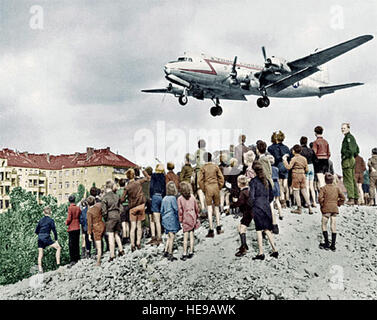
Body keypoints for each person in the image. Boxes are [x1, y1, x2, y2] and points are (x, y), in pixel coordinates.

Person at [248, 161, 278, 260]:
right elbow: (271, 196)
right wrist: (266, 202)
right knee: (267, 229)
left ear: (253, 170)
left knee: (258, 230)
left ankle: (261, 253)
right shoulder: (267, 181)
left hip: (257, 207)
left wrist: (251, 206)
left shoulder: (253, 182)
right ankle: (275, 250)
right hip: (266, 206)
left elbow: (251, 197)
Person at [121, 168, 151, 251]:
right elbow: (148, 178)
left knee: (133, 227)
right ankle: (138, 243)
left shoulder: (127, 187)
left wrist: (127, 196)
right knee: (139, 227)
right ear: (134, 175)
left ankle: (132, 245)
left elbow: (122, 199)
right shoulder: (138, 182)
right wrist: (143, 170)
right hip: (141, 206)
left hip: (132, 208)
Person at [198, 152, 225, 237]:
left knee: (209, 209)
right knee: (217, 208)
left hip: (208, 188)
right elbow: (221, 177)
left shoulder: (203, 168)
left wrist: (203, 189)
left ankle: (211, 229)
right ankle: (219, 227)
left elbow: (200, 181)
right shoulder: (215, 166)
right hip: (216, 187)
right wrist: (219, 186)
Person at [318, 173, 345, 251]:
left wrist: (322, 205)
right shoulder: (336, 188)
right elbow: (343, 197)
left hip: (326, 209)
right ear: (332, 180)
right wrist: (338, 204)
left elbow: (320, 198)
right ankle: (333, 245)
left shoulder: (323, 188)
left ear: (325, 180)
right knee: (333, 226)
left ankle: (326, 243)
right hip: (334, 208)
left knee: (324, 225)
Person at [283, 144, 313, 214]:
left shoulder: (294, 159)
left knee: (296, 192)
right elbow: (307, 170)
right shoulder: (304, 159)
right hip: (303, 175)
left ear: (293, 151)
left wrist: (284, 160)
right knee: (304, 191)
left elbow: (288, 167)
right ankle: (310, 207)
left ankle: (299, 208)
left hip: (296, 175)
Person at [101, 180, 124, 262]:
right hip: (117, 215)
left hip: (110, 216)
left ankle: (112, 255)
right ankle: (121, 250)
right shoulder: (116, 195)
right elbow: (121, 207)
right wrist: (118, 214)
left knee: (110, 235)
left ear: (106, 187)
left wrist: (106, 217)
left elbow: (103, 210)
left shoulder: (105, 197)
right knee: (116, 234)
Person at [230, 175, 253, 257]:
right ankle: (244, 245)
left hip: (247, 213)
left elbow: (240, 203)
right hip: (250, 211)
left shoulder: (243, 192)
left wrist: (231, 205)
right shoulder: (249, 190)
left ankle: (243, 248)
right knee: (240, 227)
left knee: (241, 228)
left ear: (239, 183)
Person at [178, 181, 200, 261]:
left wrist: (180, 220)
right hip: (192, 216)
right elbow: (196, 208)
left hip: (185, 217)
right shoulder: (193, 197)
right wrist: (197, 216)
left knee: (185, 237)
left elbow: (180, 211)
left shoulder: (180, 199)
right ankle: (191, 251)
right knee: (191, 235)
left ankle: (184, 253)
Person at [268, 131, 290, 208]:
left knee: (280, 184)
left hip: (277, 166)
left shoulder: (271, 148)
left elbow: (275, 159)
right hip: (286, 166)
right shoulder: (286, 148)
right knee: (285, 184)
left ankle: (282, 200)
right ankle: (287, 201)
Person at [35, 206, 61, 273]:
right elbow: (54, 231)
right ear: (50, 212)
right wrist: (56, 240)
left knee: (40, 254)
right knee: (58, 248)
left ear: (43, 212)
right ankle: (58, 264)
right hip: (46, 237)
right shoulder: (51, 220)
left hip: (40, 237)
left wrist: (40, 235)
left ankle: (40, 269)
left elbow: (36, 231)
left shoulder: (40, 220)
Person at [161, 181, 181, 261]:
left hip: (165, 218)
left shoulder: (164, 198)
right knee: (172, 236)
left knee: (169, 236)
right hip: (171, 218)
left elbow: (161, 210)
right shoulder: (173, 198)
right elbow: (176, 209)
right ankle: (170, 253)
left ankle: (166, 250)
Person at [341, 123, 360, 205]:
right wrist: (353, 155)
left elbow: (352, 150)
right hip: (352, 159)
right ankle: (355, 198)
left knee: (348, 180)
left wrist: (345, 155)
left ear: (348, 129)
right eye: (342, 128)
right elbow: (357, 150)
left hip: (348, 160)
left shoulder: (348, 138)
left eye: (344, 128)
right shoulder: (352, 137)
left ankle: (351, 198)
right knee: (352, 179)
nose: (342, 129)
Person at [149, 163, 166, 245]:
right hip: (161, 197)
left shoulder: (153, 175)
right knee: (161, 218)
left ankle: (158, 237)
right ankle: (160, 235)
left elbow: (151, 187)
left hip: (155, 196)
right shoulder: (163, 177)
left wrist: (151, 196)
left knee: (156, 220)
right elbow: (164, 188)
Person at [87, 196, 105, 266]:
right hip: (102, 225)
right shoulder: (98, 208)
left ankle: (98, 261)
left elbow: (89, 223)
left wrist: (89, 234)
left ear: (88, 204)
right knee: (101, 241)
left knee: (98, 246)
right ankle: (102, 254)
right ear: (94, 202)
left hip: (96, 227)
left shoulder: (89, 212)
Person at [300, 136, 317, 207]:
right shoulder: (311, 150)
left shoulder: (301, 150)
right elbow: (315, 160)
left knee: (306, 186)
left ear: (300, 142)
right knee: (311, 186)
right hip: (311, 166)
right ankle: (314, 202)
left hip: (305, 167)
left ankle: (308, 202)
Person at [65, 195, 81, 265]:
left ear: (69, 201)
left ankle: (72, 259)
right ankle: (77, 257)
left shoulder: (70, 208)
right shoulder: (78, 208)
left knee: (71, 244)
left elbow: (69, 218)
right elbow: (80, 214)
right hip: (77, 226)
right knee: (76, 243)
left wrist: (66, 223)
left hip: (71, 227)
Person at [194, 139, 208, 214]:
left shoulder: (198, 151)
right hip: (206, 171)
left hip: (199, 171)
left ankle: (202, 207)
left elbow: (193, 160)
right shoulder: (206, 152)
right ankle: (206, 206)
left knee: (199, 189)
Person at [117, 179, 130, 244]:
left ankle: (124, 237)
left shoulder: (118, 191)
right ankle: (128, 236)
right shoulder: (127, 190)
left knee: (123, 223)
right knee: (127, 222)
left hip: (122, 207)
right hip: (128, 206)